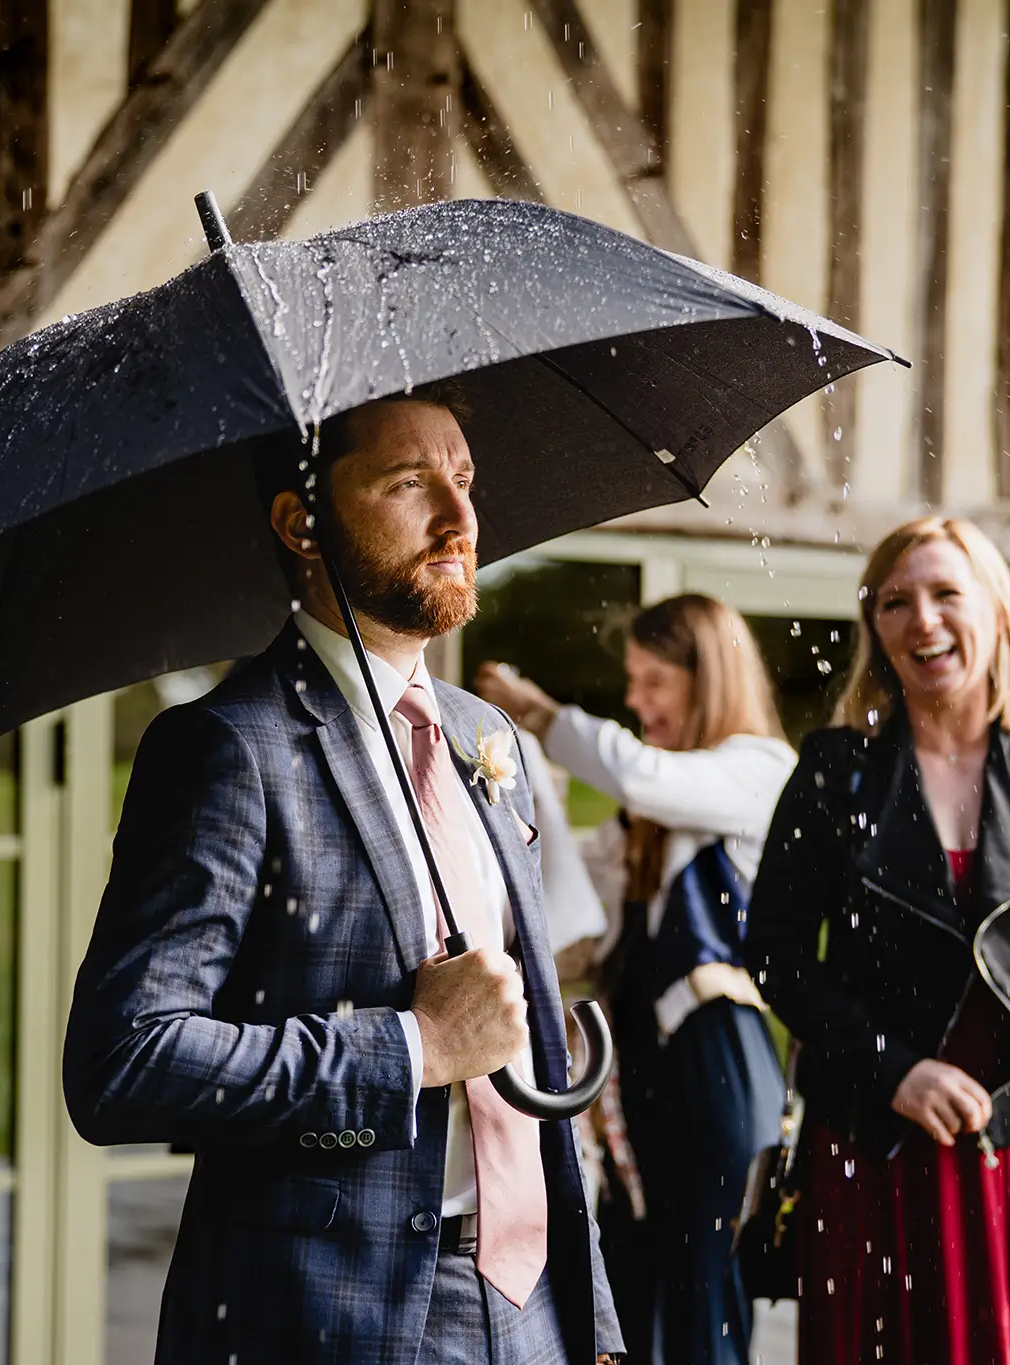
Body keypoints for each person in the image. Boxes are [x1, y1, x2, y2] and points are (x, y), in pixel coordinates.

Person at [62, 391, 623, 1365]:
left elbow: (518, 1042)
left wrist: (591, 1321)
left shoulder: (484, 738)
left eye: (463, 478)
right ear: (299, 522)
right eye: (409, 484)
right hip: (336, 1319)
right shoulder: (226, 750)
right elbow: (123, 1064)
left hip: (532, 1308)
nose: (458, 519)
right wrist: (410, 1049)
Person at [744, 516, 1010, 1364]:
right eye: (895, 602)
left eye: (945, 595)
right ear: (876, 630)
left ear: (996, 612)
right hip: (872, 1146)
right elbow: (776, 954)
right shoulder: (832, 768)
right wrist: (892, 1065)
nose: (922, 620)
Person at [476, 594, 794, 1365]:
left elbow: (638, 774)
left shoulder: (759, 769)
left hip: (718, 1054)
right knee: (633, 1278)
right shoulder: (644, 817)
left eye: (654, 680)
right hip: (643, 1068)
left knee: (704, 1287)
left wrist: (537, 712)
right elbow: (579, 897)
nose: (634, 699)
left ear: (706, 678)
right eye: (631, 680)